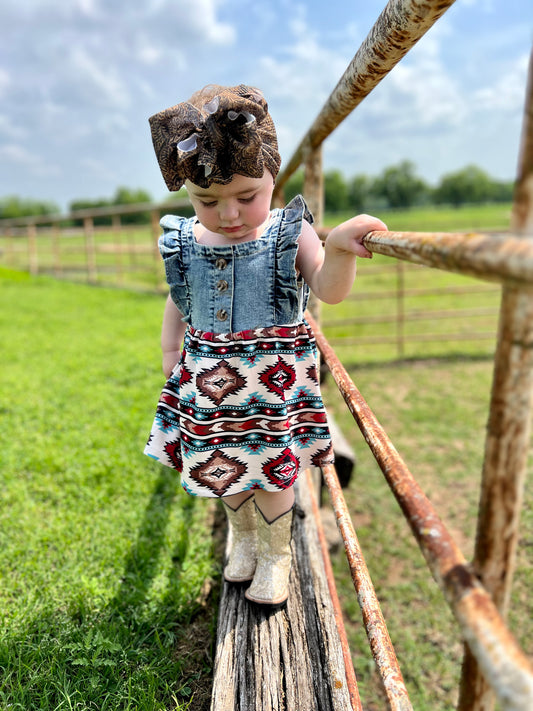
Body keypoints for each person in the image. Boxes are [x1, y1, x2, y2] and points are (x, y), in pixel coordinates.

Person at [144, 84, 386, 607]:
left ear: (273, 178)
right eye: (207, 201)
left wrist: (339, 248)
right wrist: (171, 362)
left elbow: (326, 290)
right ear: (189, 197)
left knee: (272, 469)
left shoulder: (287, 233)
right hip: (208, 384)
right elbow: (179, 304)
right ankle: (244, 537)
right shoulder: (187, 240)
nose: (228, 214)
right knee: (221, 465)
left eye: (246, 197)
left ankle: (277, 554)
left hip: (272, 386)